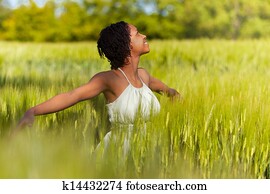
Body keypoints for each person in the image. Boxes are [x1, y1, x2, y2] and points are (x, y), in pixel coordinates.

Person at [17, 21, 180, 148]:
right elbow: (72, 96)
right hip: (118, 155)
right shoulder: (109, 79)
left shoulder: (144, 76)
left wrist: (175, 96)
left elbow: (167, 90)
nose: (144, 35)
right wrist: (33, 111)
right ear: (126, 45)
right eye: (137, 34)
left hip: (149, 151)